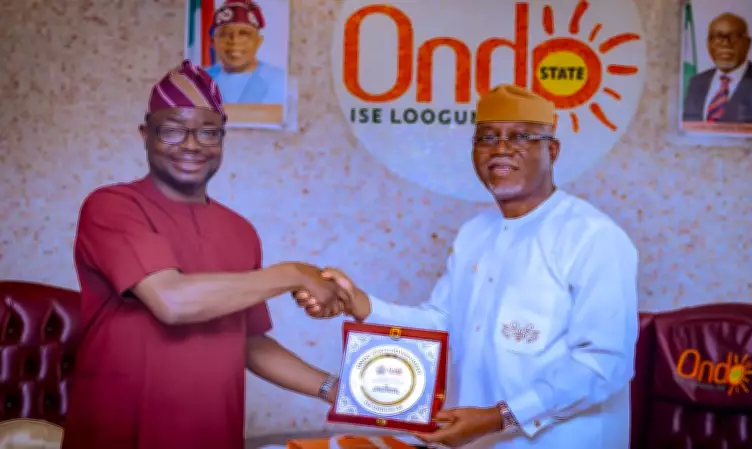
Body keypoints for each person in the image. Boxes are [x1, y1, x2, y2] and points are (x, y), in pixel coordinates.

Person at [294, 84, 640, 449]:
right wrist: (360, 303)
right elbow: (442, 321)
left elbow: (604, 365)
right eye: (487, 138)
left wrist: (499, 416)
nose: (501, 148)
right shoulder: (474, 233)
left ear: (551, 150)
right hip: (476, 442)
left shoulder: (593, 237)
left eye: (520, 137)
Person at [62, 60, 341, 449]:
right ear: (145, 135)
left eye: (208, 132)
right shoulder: (113, 206)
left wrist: (337, 390)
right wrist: (294, 273)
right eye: (173, 130)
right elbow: (171, 301)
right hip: (123, 434)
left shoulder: (241, 231)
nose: (192, 145)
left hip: (214, 434)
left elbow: (248, 341)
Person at [683, 12, 752, 124]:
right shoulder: (696, 83)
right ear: (708, 44)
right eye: (718, 37)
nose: (726, 43)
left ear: (748, 43)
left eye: (734, 36)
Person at [206, 0, 287, 104]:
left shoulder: (281, 81)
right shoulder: (199, 80)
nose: (235, 41)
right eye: (225, 34)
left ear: (258, 41)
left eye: (244, 34)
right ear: (212, 42)